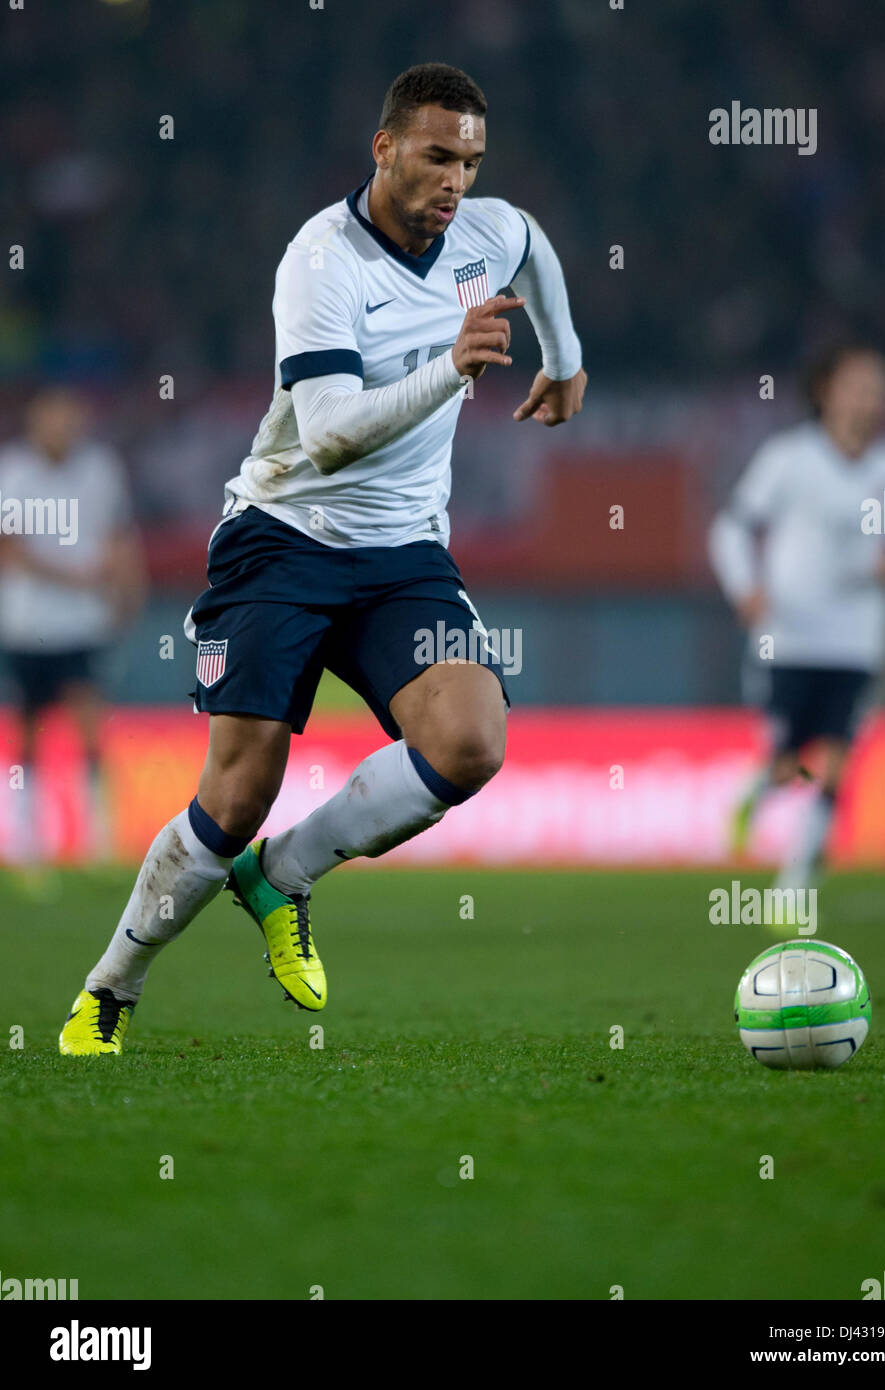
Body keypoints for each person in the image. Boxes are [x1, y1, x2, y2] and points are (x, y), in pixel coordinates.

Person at [60, 62, 587, 1054]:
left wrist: (563, 359)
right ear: (383, 148)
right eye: (436, 156)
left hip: (403, 557)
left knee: (470, 741)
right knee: (236, 789)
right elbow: (333, 431)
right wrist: (450, 367)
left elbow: (536, 248)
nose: (454, 182)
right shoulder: (321, 260)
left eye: (469, 162)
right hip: (281, 542)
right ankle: (112, 985)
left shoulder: (485, 228)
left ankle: (285, 873)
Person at [709, 344, 885, 892]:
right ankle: (757, 792)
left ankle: (794, 882)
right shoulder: (788, 459)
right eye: (858, 386)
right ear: (827, 391)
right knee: (789, 763)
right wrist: (746, 589)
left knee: (835, 760)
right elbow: (731, 529)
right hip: (788, 639)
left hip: (855, 644)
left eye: (879, 388)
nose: (870, 399)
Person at [0, 387, 146, 865]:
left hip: (83, 622)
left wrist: (126, 591)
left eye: (68, 416)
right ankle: (27, 840)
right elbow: (9, 548)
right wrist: (74, 577)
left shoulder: (101, 469)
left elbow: (120, 535)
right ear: (35, 421)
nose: (61, 426)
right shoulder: (13, 470)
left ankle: (96, 836)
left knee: (88, 722)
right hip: (27, 622)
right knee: (27, 728)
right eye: (52, 417)